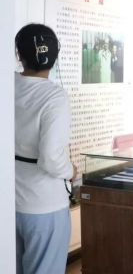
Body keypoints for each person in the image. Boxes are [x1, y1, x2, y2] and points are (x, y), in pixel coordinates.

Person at [14, 23, 75, 274]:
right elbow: (50, 157)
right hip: (45, 205)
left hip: (11, 201)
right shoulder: (54, 96)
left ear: (19, 54)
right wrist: (71, 171)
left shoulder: (8, 85)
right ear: (56, 55)